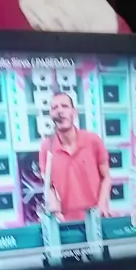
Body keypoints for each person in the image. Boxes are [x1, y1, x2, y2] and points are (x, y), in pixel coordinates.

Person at [39, 92, 111, 222]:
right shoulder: (46, 148)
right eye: (55, 108)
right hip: (66, 222)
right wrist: (56, 211)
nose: (60, 111)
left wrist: (101, 206)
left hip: (96, 218)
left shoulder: (93, 141)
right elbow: (48, 185)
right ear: (51, 115)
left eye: (64, 106)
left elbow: (106, 177)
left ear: (74, 112)